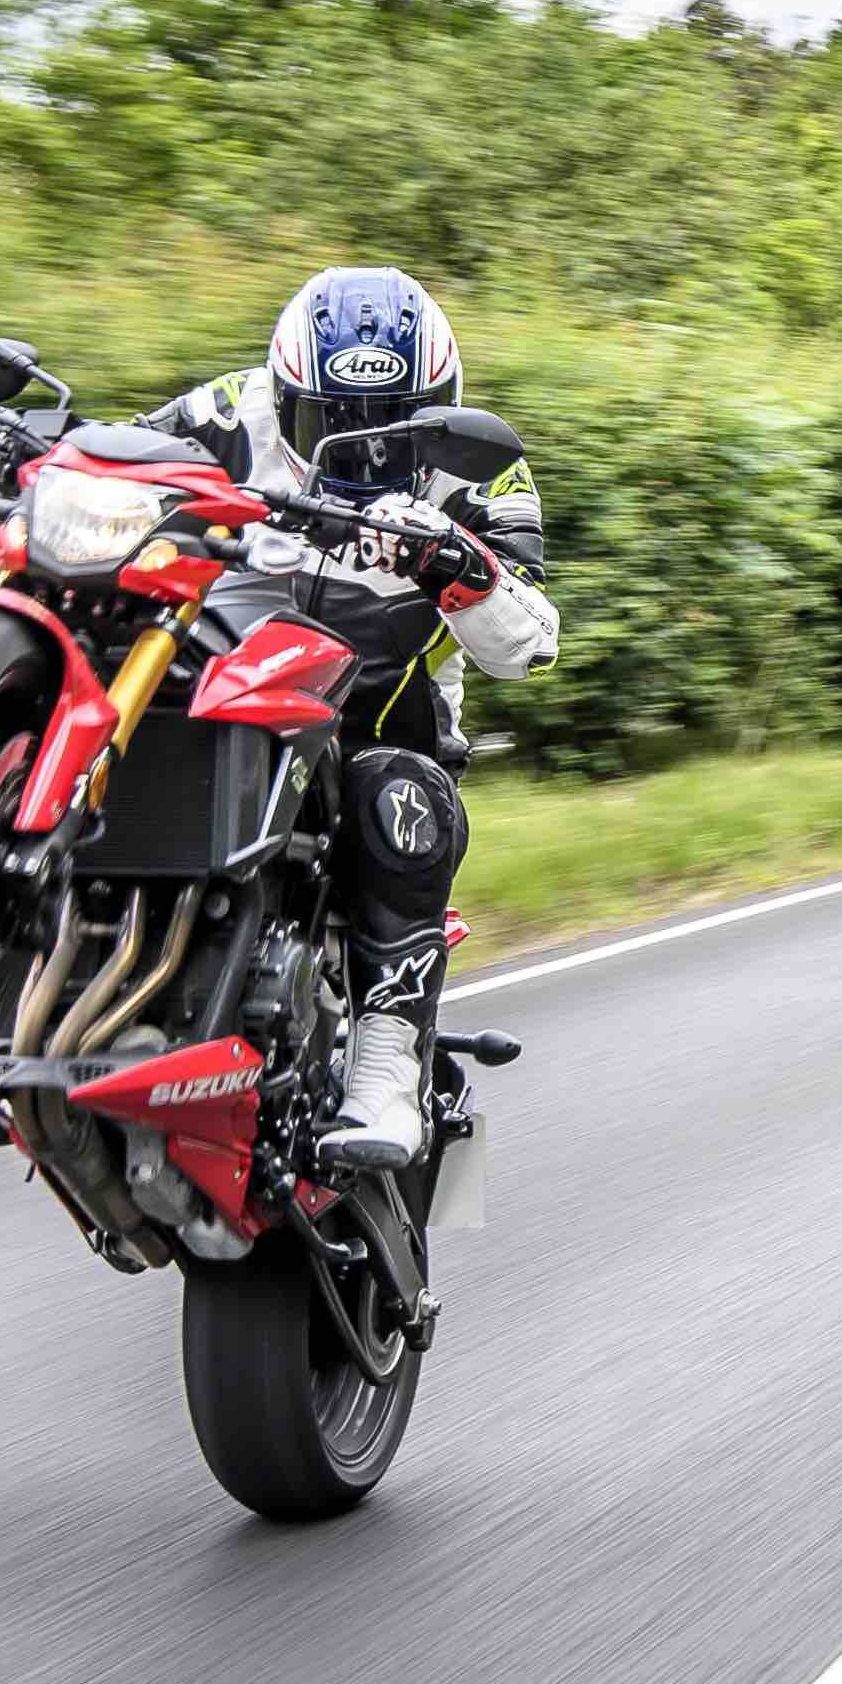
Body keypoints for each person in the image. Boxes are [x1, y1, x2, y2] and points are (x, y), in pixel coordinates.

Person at [135, 266, 556, 1169]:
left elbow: (530, 644)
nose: (358, 451)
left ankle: (385, 1069)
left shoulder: (483, 464)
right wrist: (17, 450)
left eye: (387, 427)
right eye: (329, 422)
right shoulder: (226, 410)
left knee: (398, 796)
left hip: (380, 709)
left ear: (438, 402)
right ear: (284, 392)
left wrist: (456, 563)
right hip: (228, 679)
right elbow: (120, 460)